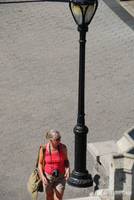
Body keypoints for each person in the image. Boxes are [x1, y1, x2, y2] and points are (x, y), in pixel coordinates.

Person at [38, 129, 70, 200]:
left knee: (59, 197)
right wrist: (42, 176)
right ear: (50, 140)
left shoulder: (63, 148)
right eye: (57, 139)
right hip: (48, 177)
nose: (59, 140)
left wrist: (68, 169)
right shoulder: (43, 149)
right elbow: (40, 164)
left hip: (60, 176)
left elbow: (66, 161)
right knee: (49, 196)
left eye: (60, 138)